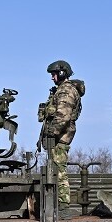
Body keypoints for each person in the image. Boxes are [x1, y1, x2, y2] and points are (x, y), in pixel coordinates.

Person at [38, 60, 85, 211]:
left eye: (54, 74)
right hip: (58, 136)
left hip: (60, 137)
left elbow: (63, 116)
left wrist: (51, 133)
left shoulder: (66, 90)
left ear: (62, 73)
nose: (52, 77)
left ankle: (63, 205)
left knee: (59, 170)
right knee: (55, 168)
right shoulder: (60, 90)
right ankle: (59, 203)